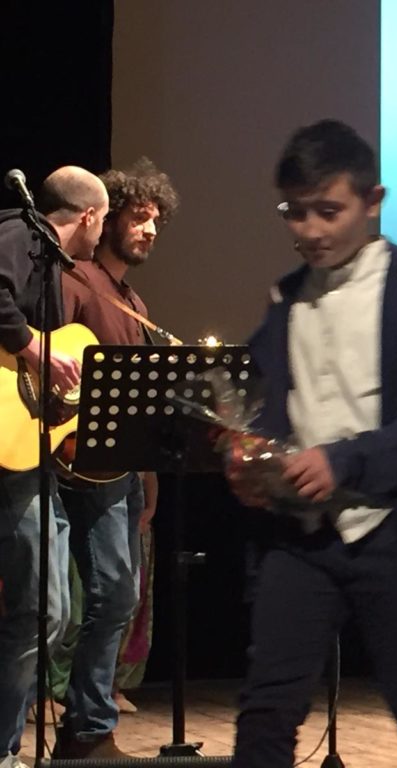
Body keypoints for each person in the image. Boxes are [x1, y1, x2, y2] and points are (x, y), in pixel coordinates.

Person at [227, 119, 397, 768]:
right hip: (302, 533)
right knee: (267, 709)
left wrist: (344, 460)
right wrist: (246, 454)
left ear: (373, 201)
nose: (310, 229)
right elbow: (262, 408)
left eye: (329, 211)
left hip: (390, 529)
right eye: (295, 212)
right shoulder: (287, 297)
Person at [50, 158, 178, 759]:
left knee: (118, 597)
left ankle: (88, 727)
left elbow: (138, 404)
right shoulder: (73, 279)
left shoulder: (135, 303)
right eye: (138, 218)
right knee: (103, 597)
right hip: (80, 465)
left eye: (156, 221)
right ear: (107, 219)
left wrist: (147, 474)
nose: (148, 230)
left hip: (122, 471)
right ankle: (86, 731)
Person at [1, 166, 108, 768]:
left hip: (32, 455)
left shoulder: (48, 263)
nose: (102, 232)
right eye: (105, 219)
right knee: (40, 608)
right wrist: (35, 348)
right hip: (10, 458)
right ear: (88, 216)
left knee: (54, 610)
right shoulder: (20, 232)